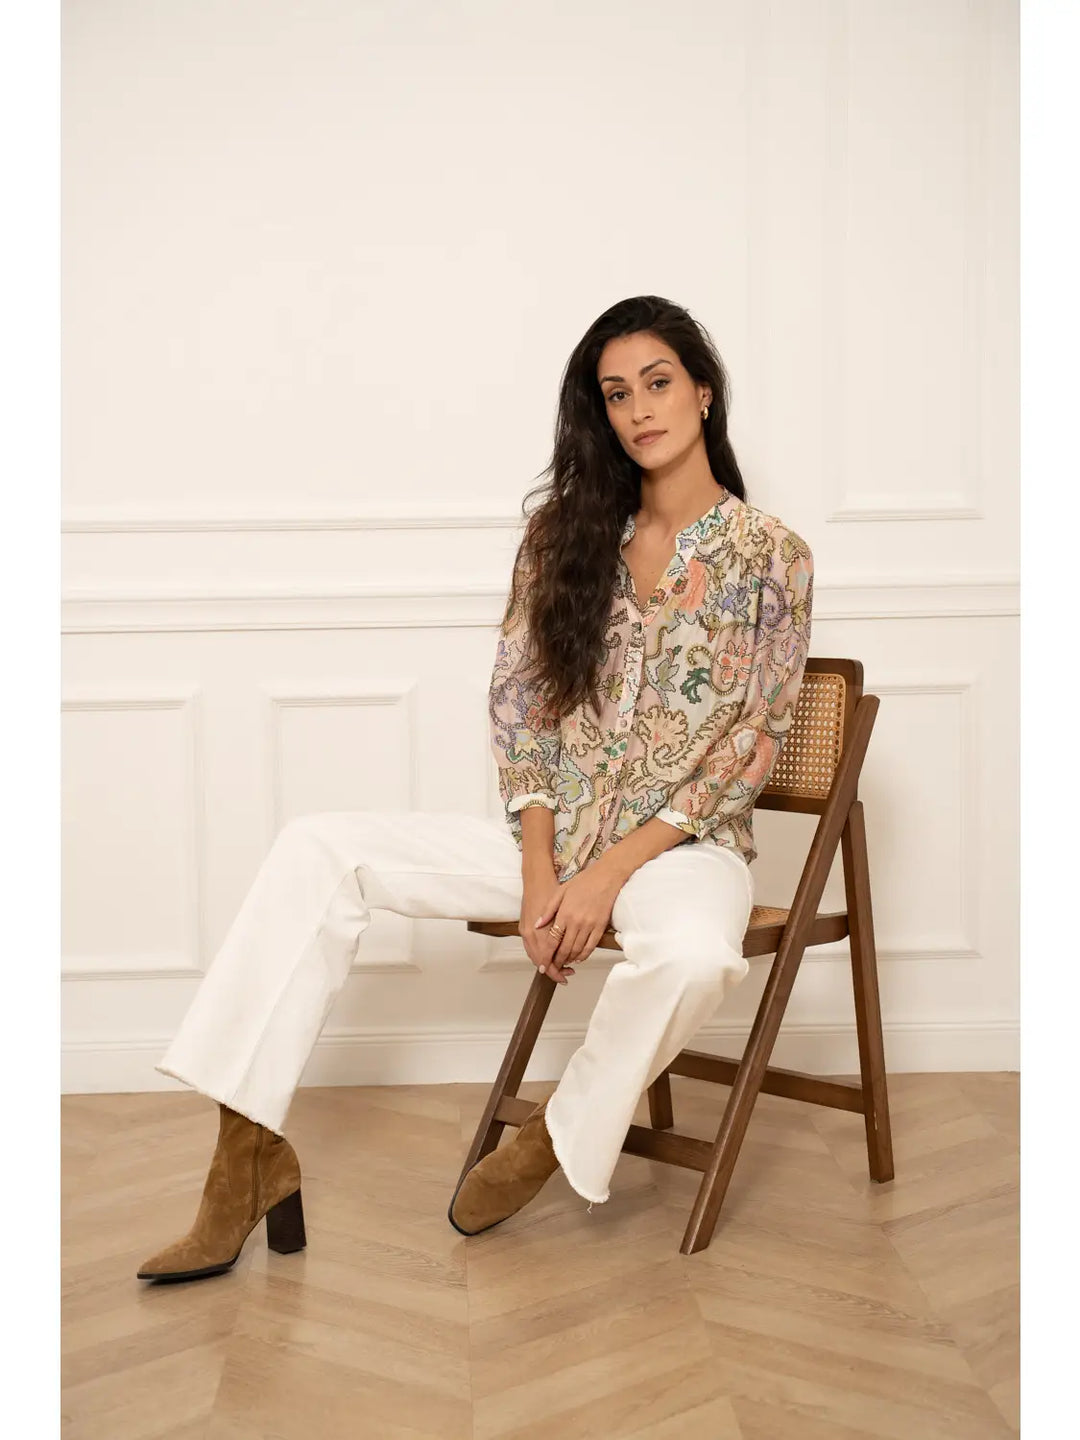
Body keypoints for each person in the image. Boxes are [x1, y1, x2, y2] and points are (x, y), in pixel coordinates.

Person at [136, 294, 814, 1283]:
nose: (639, 409)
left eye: (658, 383)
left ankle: (557, 1130)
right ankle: (244, 1158)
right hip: (552, 841)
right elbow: (522, 711)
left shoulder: (771, 555)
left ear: (703, 393)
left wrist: (606, 876)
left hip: (681, 851)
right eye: (616, 393)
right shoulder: (562, 538)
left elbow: (750, 742)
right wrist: (544, 873)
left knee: (698, 957)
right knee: (320, 847)